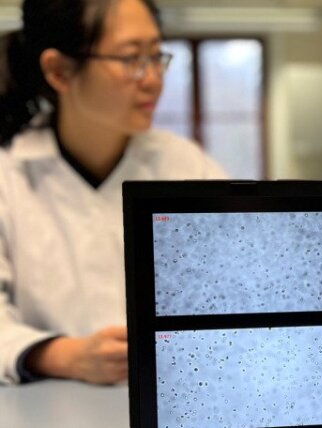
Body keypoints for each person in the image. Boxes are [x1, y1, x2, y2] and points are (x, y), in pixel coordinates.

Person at [0, 0, 226, 385]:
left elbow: (236, 282)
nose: (153, 78)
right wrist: (61, 355)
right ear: (59, 71)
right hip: (53, 407)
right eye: (131, 58)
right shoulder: (9, 175)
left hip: (177, 393)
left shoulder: (185, 166)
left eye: (157, 56)